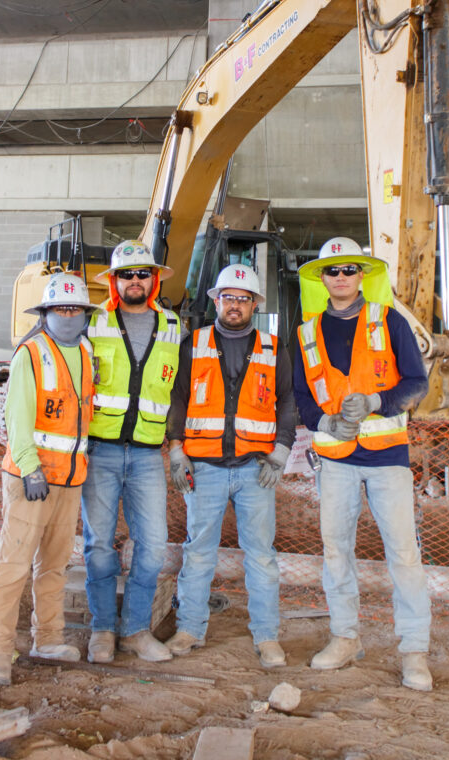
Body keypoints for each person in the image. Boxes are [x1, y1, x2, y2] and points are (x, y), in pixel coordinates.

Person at [293, 236, 432, 691]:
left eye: (349, 270)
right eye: (332, 271)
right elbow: (301, 396)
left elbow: (417, 383)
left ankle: (414, 652)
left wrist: (378, 400)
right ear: (322, 278)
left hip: (388, 459)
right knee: (336, 553)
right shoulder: (306, 331)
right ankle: (344, 638)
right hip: (335, 460)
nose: (341, 278)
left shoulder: (388, 320)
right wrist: (325, 421)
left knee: (404, 555)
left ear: (362, 276)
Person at [165, 263, 297, 669]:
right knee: (198, 552)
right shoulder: (193, 344)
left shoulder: (275, 349)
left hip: (255, 470)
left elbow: (287, 402)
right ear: (217, 301)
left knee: (261, 556)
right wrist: (176, 450)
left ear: (254, 304)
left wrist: (281, 451)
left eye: (243, 299)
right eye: (228, 298)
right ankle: (189, 628)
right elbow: (179, 398)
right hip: (203, 468)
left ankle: (267, 636)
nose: (235, 305)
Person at [0, 273, 100, 686]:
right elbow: (17, 420)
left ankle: (48, 639)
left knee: (54, 566)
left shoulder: (85, 353)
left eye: (75, 310)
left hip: (69, 481)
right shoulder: (30, 354)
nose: (68, 316)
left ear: (85, 315)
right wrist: (30, 468)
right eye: (60, 309)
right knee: (13, 566)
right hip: (31, 479)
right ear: (46, 313)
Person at [82, 240, 180, 663]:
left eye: (143, 273)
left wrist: (176, 445)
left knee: (153, 544)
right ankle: (103, 629)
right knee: (99, 543)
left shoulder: (174, 325)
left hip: (146, 455)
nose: (135, 280)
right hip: (100, 450)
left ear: (153, 279)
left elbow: (178, 392)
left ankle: (135, 630)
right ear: (114, 281)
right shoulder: (92, 322)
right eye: (127, 274)